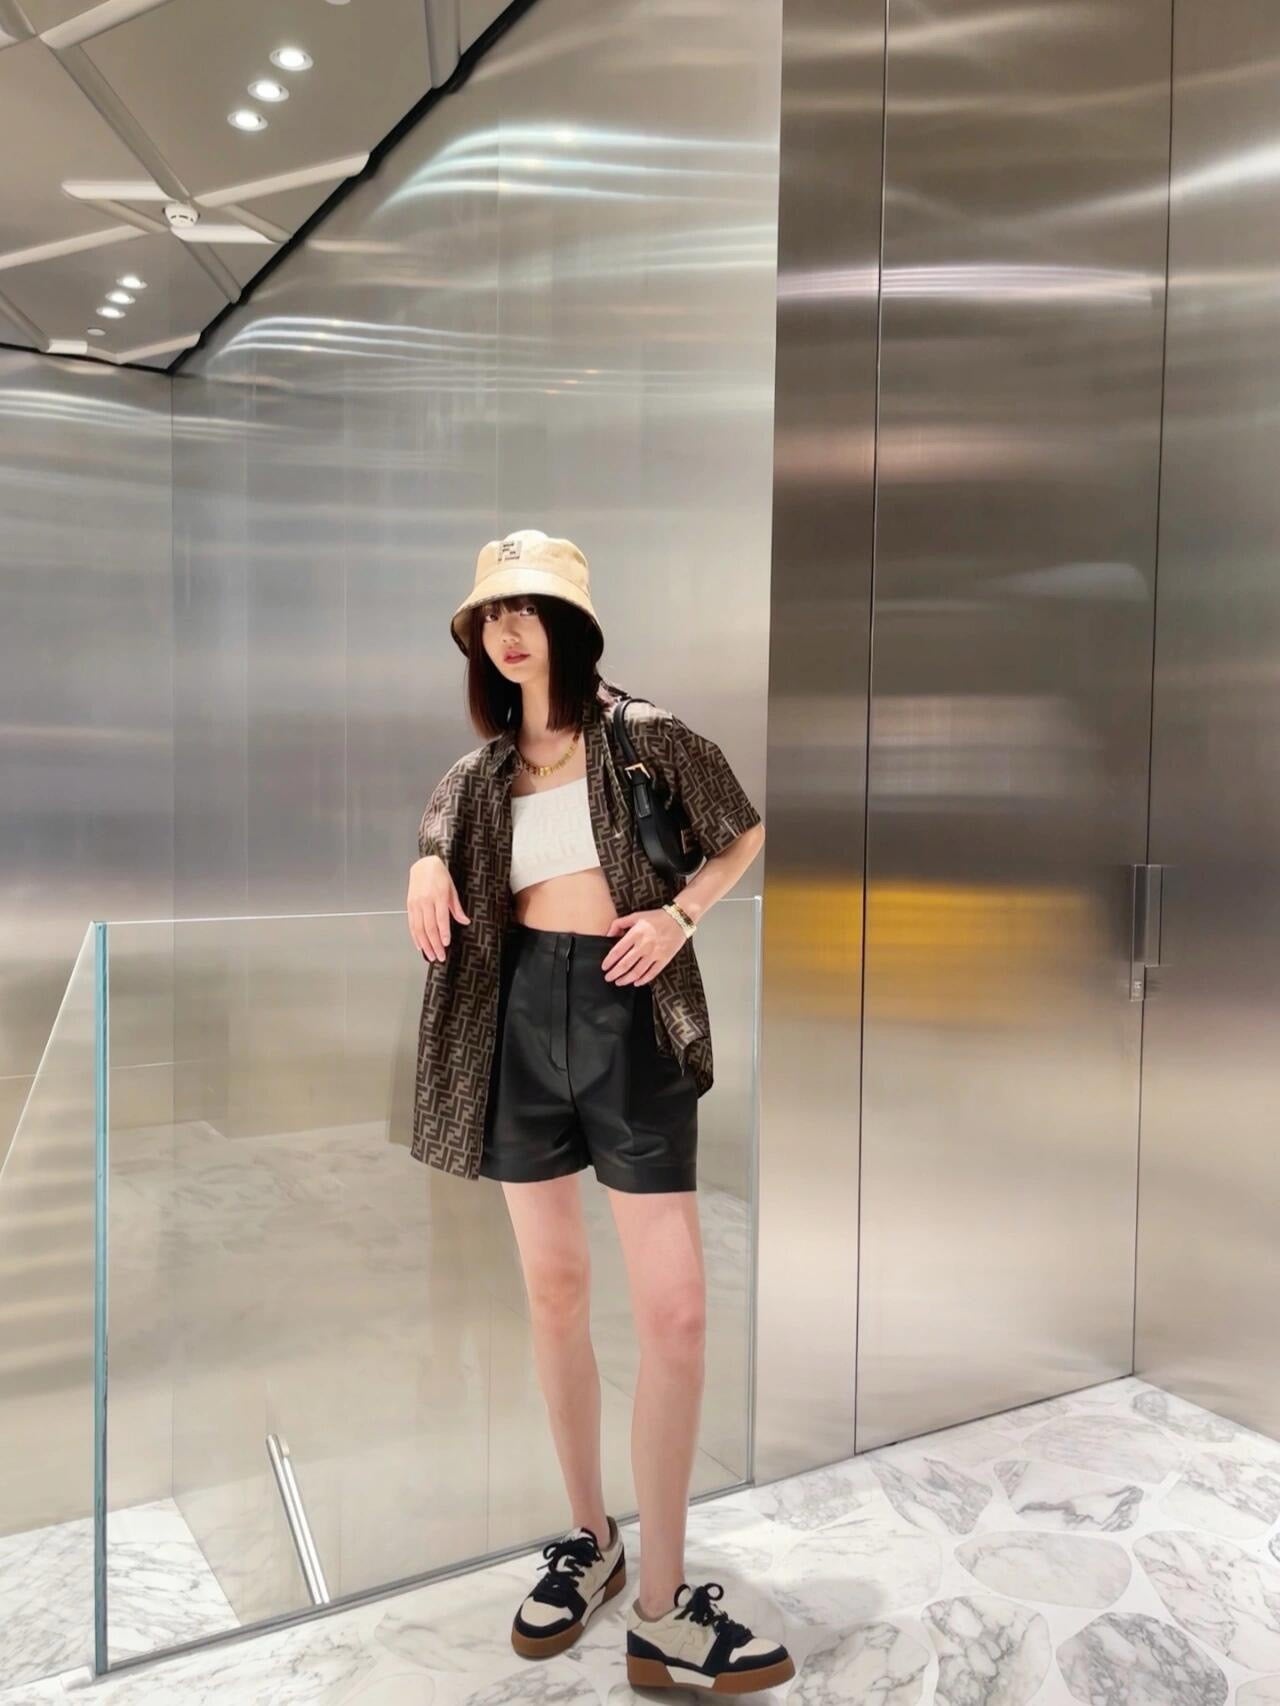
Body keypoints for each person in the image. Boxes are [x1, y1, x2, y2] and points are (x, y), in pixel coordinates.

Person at [405, 530, 794, 1693]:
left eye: (527, 607)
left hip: (629, 1016)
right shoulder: (479, 774)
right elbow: (440, 831)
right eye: (490, 613)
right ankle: (592, 1538)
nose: (507, 629)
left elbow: (741, 828)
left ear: (570, 623)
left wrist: (681, 913)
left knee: (674, 1312)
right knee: (554, 1290)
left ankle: (662, 1604)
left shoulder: (643, 734)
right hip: (515, 1018)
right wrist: (424, 861)